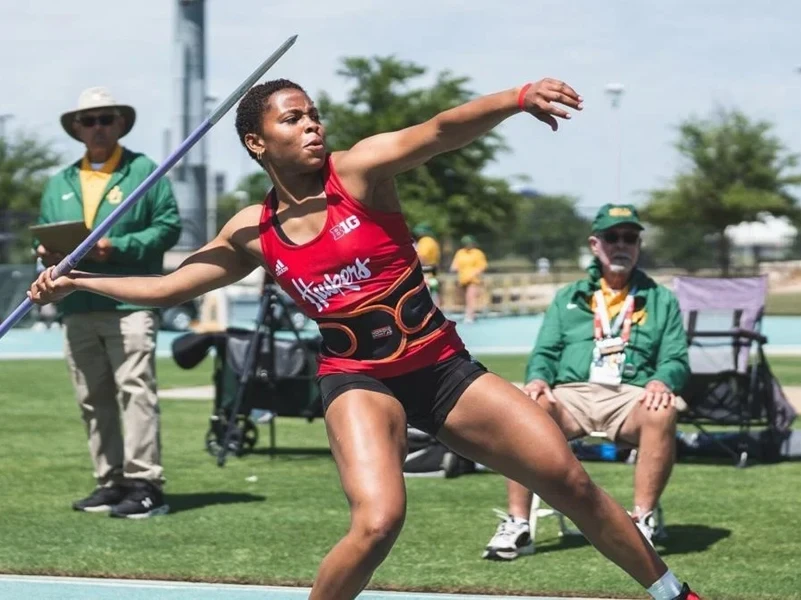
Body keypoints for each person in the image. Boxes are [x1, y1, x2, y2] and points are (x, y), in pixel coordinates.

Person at [29, 78, 701, 600]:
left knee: (570, 483)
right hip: (358, 379)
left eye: (313, 113)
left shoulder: (359, 172)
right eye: (291, 118)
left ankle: (674, 591)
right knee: (379, 521)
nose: (312, 125)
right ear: (257, 143)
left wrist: (517, 99)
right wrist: (77, 279)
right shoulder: (250, 231)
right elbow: (173, 286)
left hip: (441, 368)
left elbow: (440, 130)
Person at [483, 204, 690, 560]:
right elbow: (545, 352)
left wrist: (661, 381)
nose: (621, 245)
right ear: (595, 244)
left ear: (639, 244)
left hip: (631, 396)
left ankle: (642, 520)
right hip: (572, 395)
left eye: (630, 238)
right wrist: (537, 379)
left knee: (663, 410)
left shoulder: (661, 299)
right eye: (612, 237)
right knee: (524, 406)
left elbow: (676, 358)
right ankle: (519, 526)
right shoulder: (568, 297)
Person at [34, 87, 181, 518]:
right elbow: (45, 235)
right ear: (76, 129)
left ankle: (145, 482)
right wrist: (45, 253)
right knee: (91, 396)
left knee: (135, 390)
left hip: (129, 302)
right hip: (76, 304)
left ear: (120, 123)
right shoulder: (59, 182)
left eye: (105, 118)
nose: (97, 127)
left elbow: (168, 228)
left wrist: (114, 246)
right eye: (88, 120)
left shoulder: (145, 171)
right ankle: (111, 481)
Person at [450, 234, 488, 322]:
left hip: (473, 279)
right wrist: (453, 269)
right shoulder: (460, 253)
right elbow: (455, 265)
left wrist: (474, 273)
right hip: (462, 279)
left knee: (470, 297)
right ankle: (468, 314)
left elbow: (482, 266)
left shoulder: (478, 253)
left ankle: (470, 316)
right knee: (464, 298)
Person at [412, 223, 441, 305]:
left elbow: (421, 256)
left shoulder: (425, 241)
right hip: (433, 271)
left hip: (426, 272)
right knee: (434, 293)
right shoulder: (433, 241)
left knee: (427, 295)